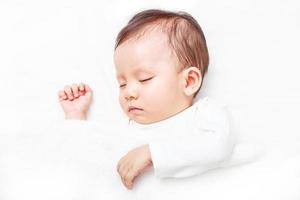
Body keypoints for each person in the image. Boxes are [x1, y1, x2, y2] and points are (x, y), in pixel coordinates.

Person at [58, 9, 235, 190]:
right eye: (122, 84)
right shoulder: (128, 128)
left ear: (189, 81)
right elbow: (90, 164)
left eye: (144, 79)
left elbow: (220, 147)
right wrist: (75, 117)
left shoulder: (203, 114)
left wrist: (153, 153)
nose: (128, 93)